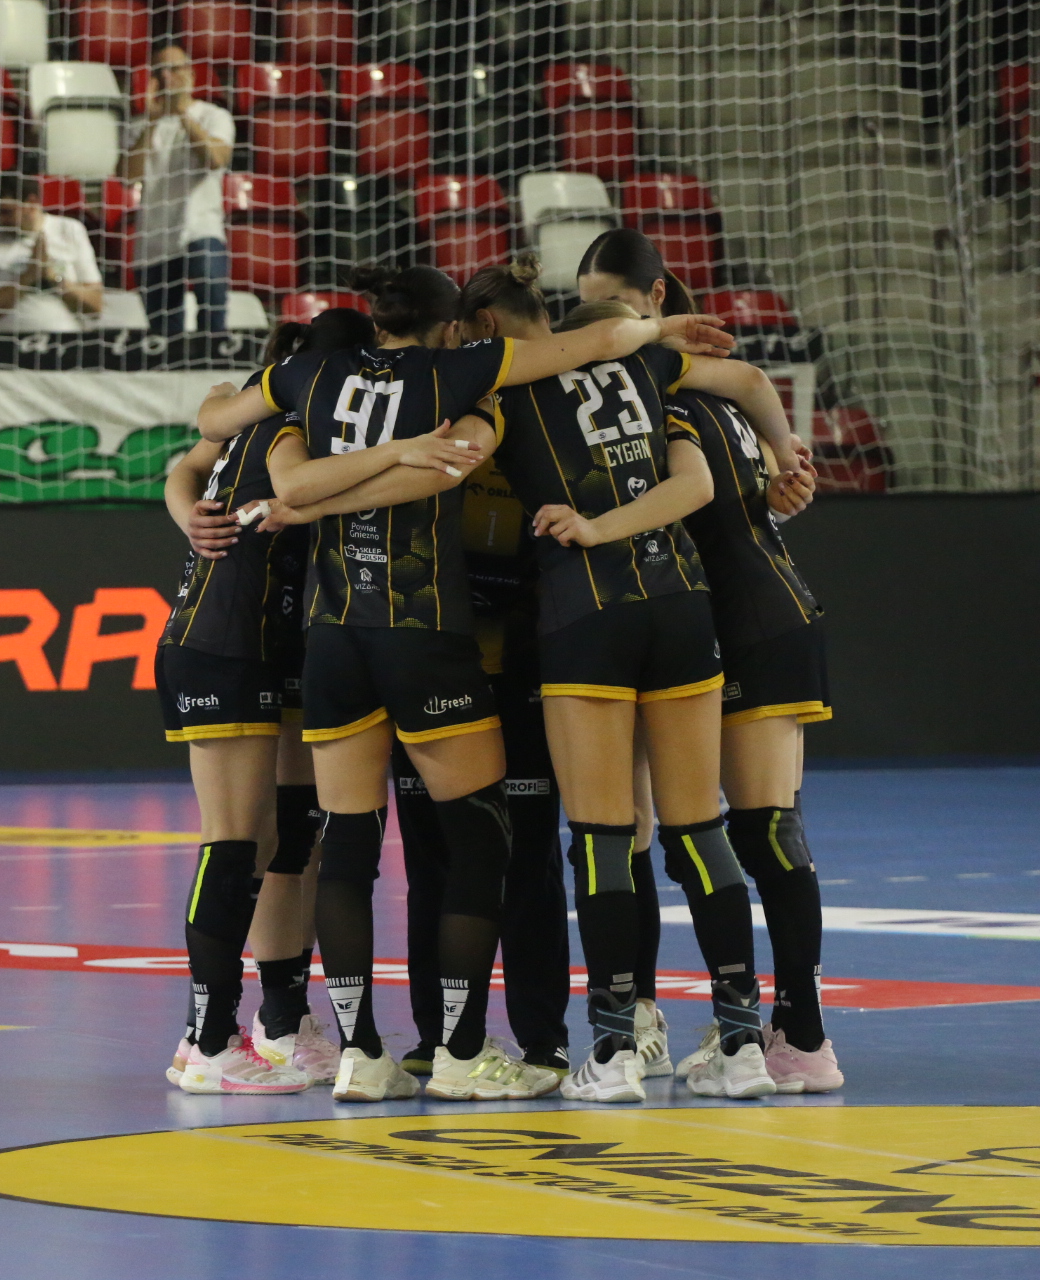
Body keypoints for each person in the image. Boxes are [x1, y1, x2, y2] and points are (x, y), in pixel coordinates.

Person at [197, 266, 733, 1103]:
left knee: (347, 844)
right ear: (456, 326)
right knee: (494, 842)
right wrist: (658, 330)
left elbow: (220, 432)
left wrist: (279, 489)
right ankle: (464, 1048)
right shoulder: (460, 374)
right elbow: (595, 348)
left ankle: (359, 1053)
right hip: (433, 639)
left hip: (333, 639)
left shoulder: (309, 375)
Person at [472, 277, 800, 1101]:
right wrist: (785, 452)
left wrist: (588, 528)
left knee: (602, 835)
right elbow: (701, 476)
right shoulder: (655, 374)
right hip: (683, 608)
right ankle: (741, 1044)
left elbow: (453, 456)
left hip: (586, 616)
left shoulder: (507, 387)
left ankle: (616, 1052)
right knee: (700, 830)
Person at [578, 231, 843, 1094]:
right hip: (748, 615)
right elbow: (752, 472)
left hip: (746, 622)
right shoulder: (684, 386)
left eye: (616, 309)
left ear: (656, 302)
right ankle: (752, 1030)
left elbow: (710, 477)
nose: (602, 329)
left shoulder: (667, 384)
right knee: (707, 828)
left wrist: (782, 465)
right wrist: (781, 476)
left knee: (753, 831)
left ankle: (794, 1036)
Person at [157, 307, 375, 1095]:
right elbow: (278, 484)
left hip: (278, 641)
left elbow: (183, 468)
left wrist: (188, 511)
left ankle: (281, 1021)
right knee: (234, 841)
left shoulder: (266, 412)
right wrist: (405, 457)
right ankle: (206, 1040)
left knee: (291, 836)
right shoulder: (286, 422)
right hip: (225, 642)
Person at [383, 254, 580, 1080]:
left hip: (486, 667)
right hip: (456, 665)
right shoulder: (439, 412)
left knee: (499, 856)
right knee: (471, 857)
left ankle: (525, 1038)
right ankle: (464, 1039)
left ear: (481, 330)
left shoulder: (537, 413)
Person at [123, 45, 235, 335]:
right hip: (154, 236)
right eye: (160, 71)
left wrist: (183, 114)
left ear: (191, 74)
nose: (167, 77)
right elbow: (126, 176)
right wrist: (152, 120)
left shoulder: (213, 115)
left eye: (174, 69)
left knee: (213, 325)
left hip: (201, 228)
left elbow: (216, 158)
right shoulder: (140, 125)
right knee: (163, 335)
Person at [0, 176, 104, 333]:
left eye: (6, 212)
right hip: (5, 340)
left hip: (66, 339)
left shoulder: (70, 230)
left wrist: (54, 279)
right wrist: (27, 278)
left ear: (32, 203)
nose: (0, 220)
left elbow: (96, 307)